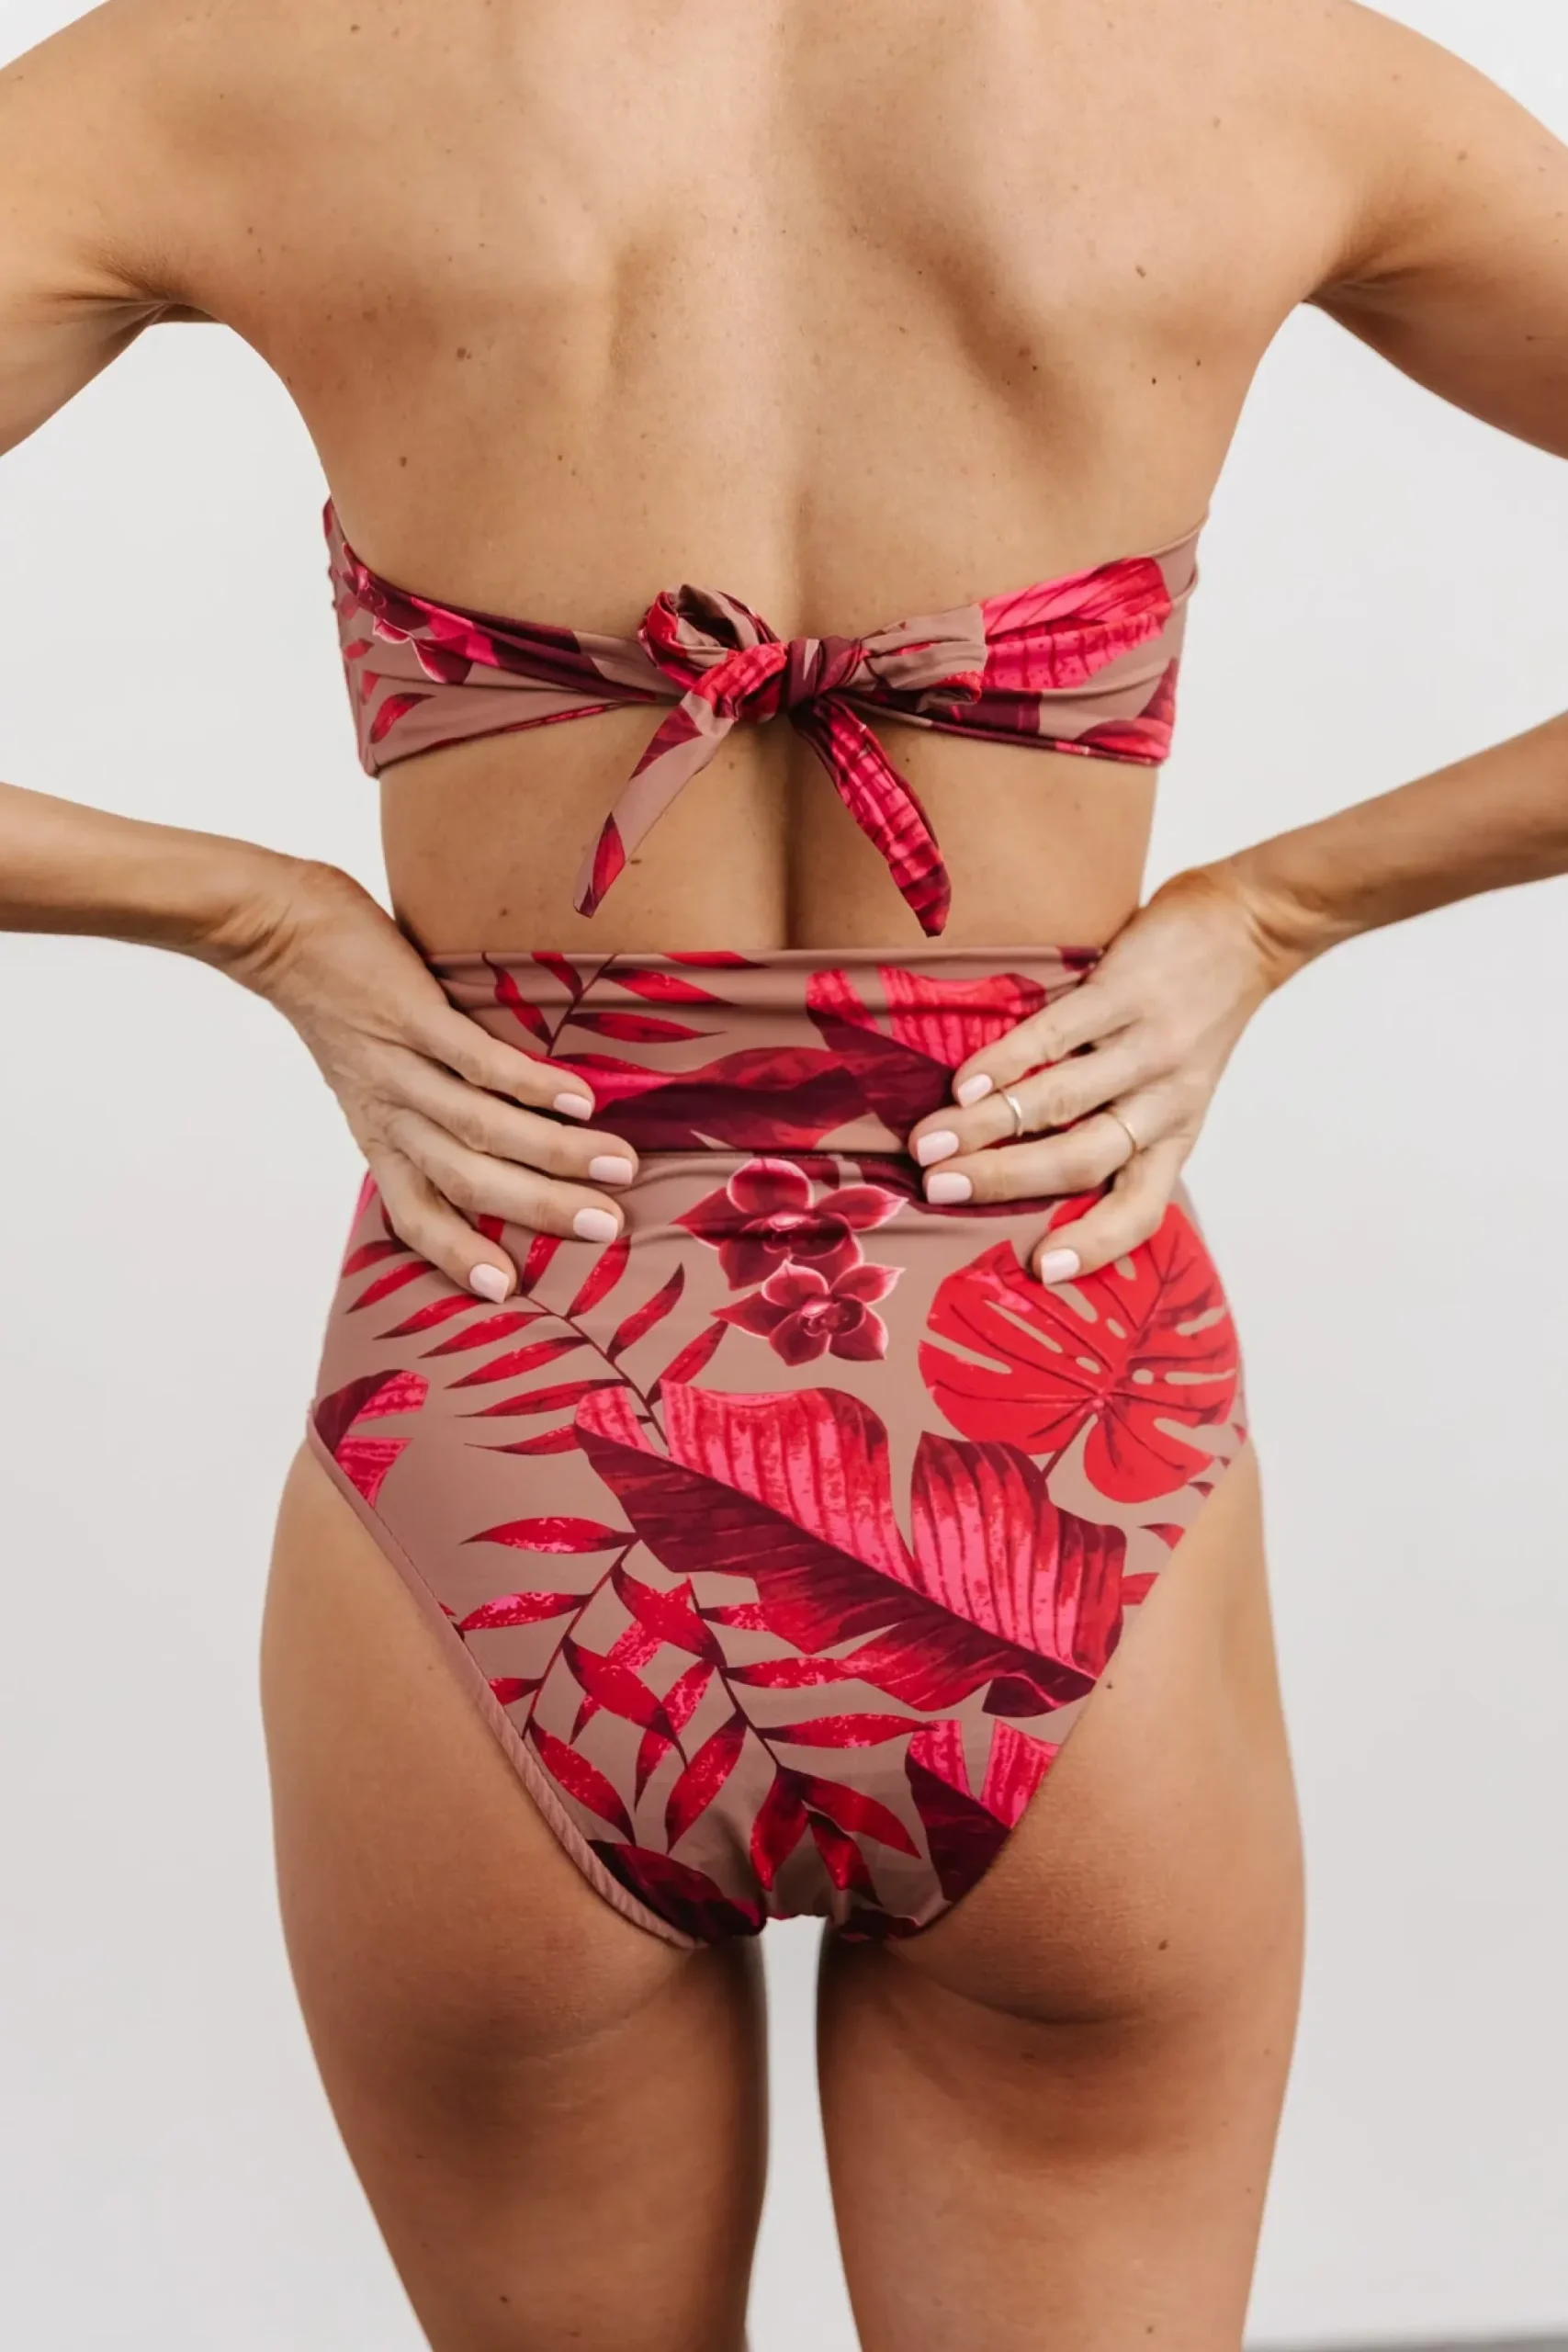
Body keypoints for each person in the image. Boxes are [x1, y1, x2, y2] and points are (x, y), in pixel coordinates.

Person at [3, 3, 1565, 2346]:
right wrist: (1273, 910)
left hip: (511, 1393)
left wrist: (258, 916)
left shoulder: (239, 63)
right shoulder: (1257, 70)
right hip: (1043, 1393)